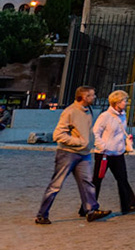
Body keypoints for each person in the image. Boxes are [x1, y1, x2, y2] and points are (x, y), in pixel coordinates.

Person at [35, 86, 106, 224]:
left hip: (84, 153)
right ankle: (41, 215)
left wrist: (89, 143)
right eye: (92, 95)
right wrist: (79, 142)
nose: (94, 97)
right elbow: (58, 135)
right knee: (56, 185)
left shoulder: (89, 110)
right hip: (67, 154)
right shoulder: (70, 112)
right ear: (84, 97)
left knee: (87, 183)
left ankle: (91, 211)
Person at [91, 90, 135, 215]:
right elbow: (96, 132)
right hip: (104, 154)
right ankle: (88, 207)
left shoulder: (123, 115)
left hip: (118, 153)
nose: (126, 103)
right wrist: (102, 146)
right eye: (124, 101)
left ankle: (128, 205)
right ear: (116, 102)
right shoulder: (105, 116)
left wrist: (124, 145)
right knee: (97, 180)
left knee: (123, 179)